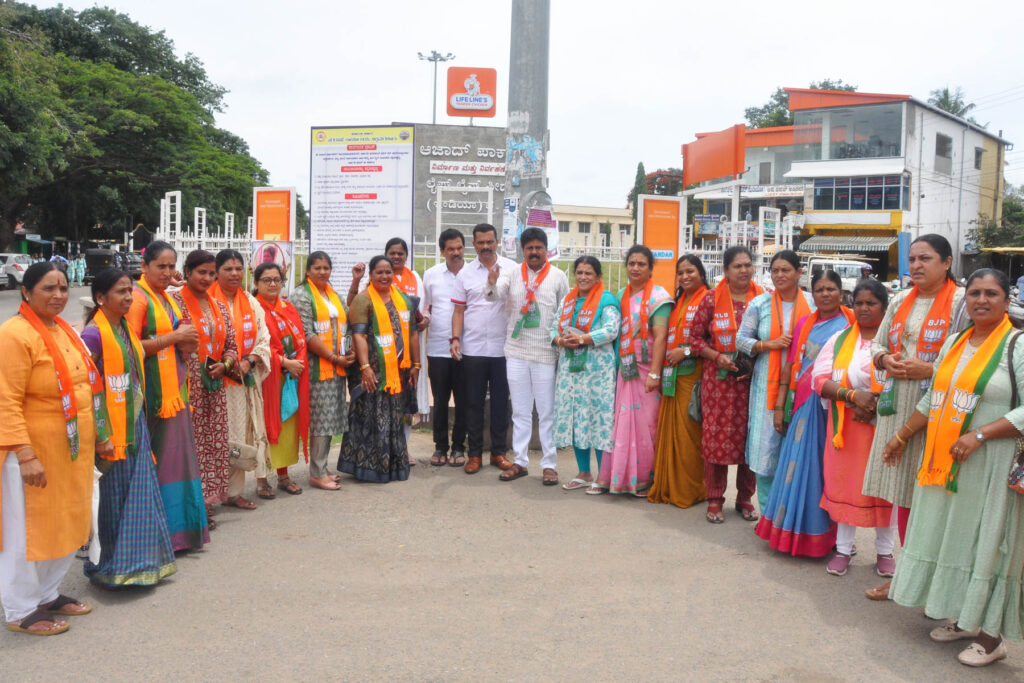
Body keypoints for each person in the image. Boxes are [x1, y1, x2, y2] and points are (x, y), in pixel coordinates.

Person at [886, 269, 1024, 667]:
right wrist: (902, 436)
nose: (982, 300)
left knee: (988, 540)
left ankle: (991, 636)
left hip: (991, 463)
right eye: (976, 293)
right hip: (947, 464)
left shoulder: (1016, 345)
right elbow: (934, 398)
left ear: (1005, 300)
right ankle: (965, 617)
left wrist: (979, 435)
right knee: (956, 536)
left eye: (991, 294)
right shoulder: (954, 342)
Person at [0, 262, 110, 635]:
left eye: (63, 287)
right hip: (31, 453)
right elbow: (6, 400)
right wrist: (25, 454)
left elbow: (86, 388)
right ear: (26, 293)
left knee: (67, 521)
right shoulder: (14, 334)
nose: (59, 295)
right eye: (48, 288)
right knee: (26, 532)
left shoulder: (65, 330)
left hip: (71, 451)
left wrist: (102, 434)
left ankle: (47, 594)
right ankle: (20, 609)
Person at [862, 234, 967, 600]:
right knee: (904, 496)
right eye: (912, 259)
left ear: (947, 262)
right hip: (897, 406)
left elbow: (970, 357)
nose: (917, 265)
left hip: (938, 412)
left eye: (926, 258)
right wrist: (884, 360)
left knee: (933, 498)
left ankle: (933, 582)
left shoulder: (960, 302)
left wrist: (931, 369)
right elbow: (876, 344)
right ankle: (906, 575)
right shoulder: (901, 301)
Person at [81, 267, 176, 588]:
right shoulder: (93, 335)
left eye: (129, 290)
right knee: (114, 499)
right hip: (111, 432)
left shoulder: (124, 329)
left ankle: (141, 564)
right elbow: (87, 388)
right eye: (120, 291)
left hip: (134, 426)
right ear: (100, 298)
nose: (127, 297)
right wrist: (101, 434)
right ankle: (110, 567)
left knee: (139, 496)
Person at [754, 270, 853, 556]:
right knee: (800, 467)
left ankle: (834, 537)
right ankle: (793, 533)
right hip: (804, 406)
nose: (825, 294)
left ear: (841, 293)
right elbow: (790, 366)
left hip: (837, 405)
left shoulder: (850, 323)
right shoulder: (804, 324)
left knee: (830, 472)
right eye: (819, 289)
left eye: (831, 289)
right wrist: (780, 405)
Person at [126, 241, 209, 551]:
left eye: (171, 266)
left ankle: (180, 534)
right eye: (160, 266)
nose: (167, 271)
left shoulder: (163, 297)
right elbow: (130, 347)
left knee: (177, 462)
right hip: (153, 397)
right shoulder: (137, 298)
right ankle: (159, 535)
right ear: (144, 266)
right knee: (160, 462)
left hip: (176, 390)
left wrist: (184, 342)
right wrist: (174, 338)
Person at [816, 279, 894, 576]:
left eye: (871, 303)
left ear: (884, 308)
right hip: (845, 430)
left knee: (882, 490)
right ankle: (844, 549)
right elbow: (820, 381)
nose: (863, 308)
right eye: (858, 302)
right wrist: (853, 397)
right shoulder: (839, 340)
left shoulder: (894, 343)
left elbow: (906, 381)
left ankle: (885, 552)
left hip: (883, 427)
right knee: (845, 486)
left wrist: (873, 403)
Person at [485, 228, 569, 484]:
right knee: (520, 411)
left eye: (538, 248)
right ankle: (520, 461)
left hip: (545, 352)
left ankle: (549, 465)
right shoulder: (510, 273)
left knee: (546, 412)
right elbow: (492, 296)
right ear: (523, 250)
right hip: (517, 352)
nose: (534, 252)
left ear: (546, 250)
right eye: (529, 248)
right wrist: (491, 280)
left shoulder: (558, 276)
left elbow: (565, 311)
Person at [689, 245, 763, 523]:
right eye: (737, 266)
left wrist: (753, 364)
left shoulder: (763, 300)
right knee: (716, 440)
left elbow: (769, 338)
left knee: (750, 440)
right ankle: (715, 498)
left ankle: (745, 498)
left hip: (752, 382)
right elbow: (695, 340)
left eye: (747, 265)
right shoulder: (710, 299)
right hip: (718, 384)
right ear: (726, 270)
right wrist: (717, 357)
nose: (744, 271)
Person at [738, 249, 815, 513]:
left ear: (799, 273)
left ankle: (794, 517)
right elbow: (741, 340)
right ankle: (769, 514)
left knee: (799, 448)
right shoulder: (759, 304)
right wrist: (768, 344)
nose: (779, 275)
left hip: (804, 386)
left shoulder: (814, 304)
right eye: (775, 270)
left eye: (786, 270)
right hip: (765, 387)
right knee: (765, 448)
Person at [593, 245, 673, 496]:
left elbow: (660, 338)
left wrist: (655, 374)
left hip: (648, 369)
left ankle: (645, 479)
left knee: (647, 426)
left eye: (641, 264)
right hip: (625, 367)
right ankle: (619, 477)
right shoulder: (621, 295)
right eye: (631, 263)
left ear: (650, 268)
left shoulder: (659, 296)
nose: (635, 268)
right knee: (622, 423)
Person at [338, 255, 420, 482]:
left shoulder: (402, 299)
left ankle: (393, 465)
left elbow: (413, 333)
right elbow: (359, 336)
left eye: (388, 272)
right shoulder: (363, 300)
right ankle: (368, 467)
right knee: (371, 417)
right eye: (379, 272)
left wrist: (416, 364)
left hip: (398, 372)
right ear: (371, 275)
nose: (384, 276)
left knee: (393, 417)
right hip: (372, 371)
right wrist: (365, 367)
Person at [173, 250, 238, 525]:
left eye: (212, 273)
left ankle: (205, 501)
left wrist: (225, 363)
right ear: (187, 272)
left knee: (212, 446)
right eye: (202, 272)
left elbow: (232, 345)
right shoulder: (174, 303)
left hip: (213, 385)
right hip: (185, 386)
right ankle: (189, 506)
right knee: (188, 446)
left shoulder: (218, 306)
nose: (208, 278)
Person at [450, 223, 517, 474]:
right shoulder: (465, 274)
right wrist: (455, 339)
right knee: (473, 403)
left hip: (504, 349)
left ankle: (499, 453)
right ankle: (475, 454)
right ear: (474, 244)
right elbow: (458, 311)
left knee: (501, 403)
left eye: (490, 242)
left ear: (497, 242)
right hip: (474, 348)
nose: (486, 247)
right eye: (481, 243)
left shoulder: (512, 269)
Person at [550, 255, 620, 491]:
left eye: (588, 273)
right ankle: (583, 472)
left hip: (598, 371)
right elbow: (553, 328)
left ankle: (604, 475)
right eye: (579, 272)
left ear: (598, 276)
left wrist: (583, 338)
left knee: (598, 417)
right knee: (577, 416)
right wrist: (561, 340)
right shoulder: (568, 301)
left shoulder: (606, 300)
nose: (583, 277)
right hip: (572, 369)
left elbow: (611, 330)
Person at [210, 249, 272, 509]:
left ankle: (234, 493)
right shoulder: (206, 300)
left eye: (238, 269)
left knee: (239, 436)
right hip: (212, 382)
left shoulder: (250, 301)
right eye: (227, 269)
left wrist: (249, 361)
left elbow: (264, 338)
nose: (234, 274)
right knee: (212, 437)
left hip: (242, 382)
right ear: (217, 272)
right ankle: (209, 496)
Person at [290, 251, 355, 491]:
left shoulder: (332, 294)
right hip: (317, 368)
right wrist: (333, 358)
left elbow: (344, 325)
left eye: (326, 268)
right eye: (317, 268)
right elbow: (307, 334)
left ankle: (323, 467)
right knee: (320, 419)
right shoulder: (301, 296)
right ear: (307, 270)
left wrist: (347, 354)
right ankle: (316, 473)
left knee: (330, 419)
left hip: (336, 367)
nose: (322, 272)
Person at [648, 254, 709, 508]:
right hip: (673, 376)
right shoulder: (677, 301)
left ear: (702, 274)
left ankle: (692, 490)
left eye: (690, 271)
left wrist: (685, 352)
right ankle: (670, 487)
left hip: (695, 374)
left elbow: (716, 340)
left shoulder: (710, 299)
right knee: (671, 433)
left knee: (689, 436)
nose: (685, 276)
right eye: (681, 272)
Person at [255, 262, 310, 500]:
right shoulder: (253, 308)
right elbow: (255, 344)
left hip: (291, 378)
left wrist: (297, 363)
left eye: (277, 279)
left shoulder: (287, 307)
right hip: (266, 378)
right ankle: (261, 479)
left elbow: (301, 339)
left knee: (287, 429)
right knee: (265, 428)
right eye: (267, 280)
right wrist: (283, 362)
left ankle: (284, 476)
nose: (273, 284)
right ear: (256, 283)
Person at [422, 228, 468, 466]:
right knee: (440, 400)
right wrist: (423, 320)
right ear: (442, 251)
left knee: (463, 399)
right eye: (450, 249)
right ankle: (440, 447)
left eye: (459, 247)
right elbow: (425, 308)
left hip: (467, 347)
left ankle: (459, 447)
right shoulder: (431, 275)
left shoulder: (473, 273)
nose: (456, 253)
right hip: (439, 347)